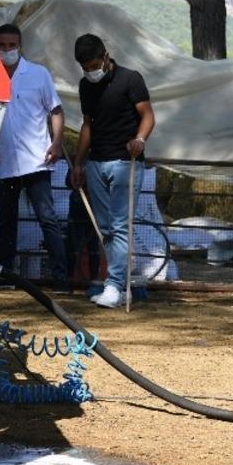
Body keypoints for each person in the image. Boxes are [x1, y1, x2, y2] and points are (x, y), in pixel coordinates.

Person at [70, 34, 155, 309]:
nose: (90, 72)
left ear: (106, 56)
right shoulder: (86, 86)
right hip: (96, 162)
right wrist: (79, 164)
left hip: (125, 162)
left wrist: (139, 141)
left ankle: (114, 285)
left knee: (119, 225)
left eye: (93, 65)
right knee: (105, 227)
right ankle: (117, 285)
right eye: (85, 68)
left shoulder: (131, 79)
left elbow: (148, 115)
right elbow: (87, 126)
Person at [0, 23, 68, 288]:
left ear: (20, 46)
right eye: (2, 45)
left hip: (37, 159)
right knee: (6, 221)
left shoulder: (37, 74)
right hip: (5, 162)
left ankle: (60, 275)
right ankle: (5, 275)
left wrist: (57, 143)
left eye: (12, 45)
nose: (7, 50)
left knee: (47, 217)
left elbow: (55, 110)